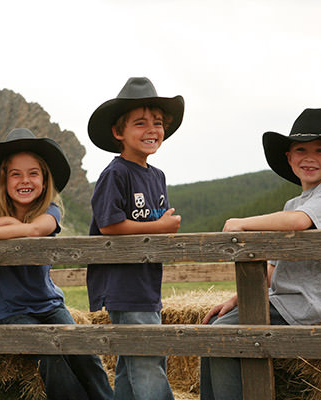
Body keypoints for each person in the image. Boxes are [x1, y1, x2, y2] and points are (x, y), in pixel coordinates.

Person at [200, 108, 321, 400]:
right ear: (289, 159)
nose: (309, 157)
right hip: (284, 301)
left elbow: (300, 222)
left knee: (223, 336)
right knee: (210, 331)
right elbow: (273, 269)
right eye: (300, 150)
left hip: (314, 302)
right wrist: (235, 300)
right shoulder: (294, 202)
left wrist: (243, 222)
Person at [0, 128, 113, 400]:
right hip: (11, 310)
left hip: (48, 303)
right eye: (15, 174)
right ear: (4, 181)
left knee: (83, 351)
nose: (24, 180)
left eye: (33, 173)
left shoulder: (49, 210)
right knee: (51, 359)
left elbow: (36, 230)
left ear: (44, 180)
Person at [86, 77, 184, 400]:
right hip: (123, 286)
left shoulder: (156, 176)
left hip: (147, 283)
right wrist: (161, 228)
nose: (151, 130)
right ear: (119, 133)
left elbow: (156, 221)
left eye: (157, 123)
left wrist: (162, 228)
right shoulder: (116, 174)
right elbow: (109, 225)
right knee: (147, 362)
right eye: (139, 123)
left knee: (131, 366)